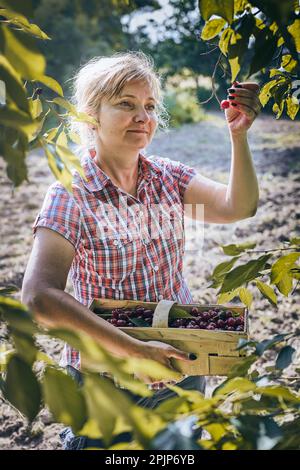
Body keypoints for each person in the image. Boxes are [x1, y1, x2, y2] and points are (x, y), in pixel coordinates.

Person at [21, 51, 261, 450]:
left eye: (149, 106)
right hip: (108, 375)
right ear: (90, 116)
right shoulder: (71, 192)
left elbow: (239, 206)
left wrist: (239, 135)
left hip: (178, 359)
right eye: (125, 104)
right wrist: (134, 350)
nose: (142, 116)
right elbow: (38, 297)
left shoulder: (168, 176)